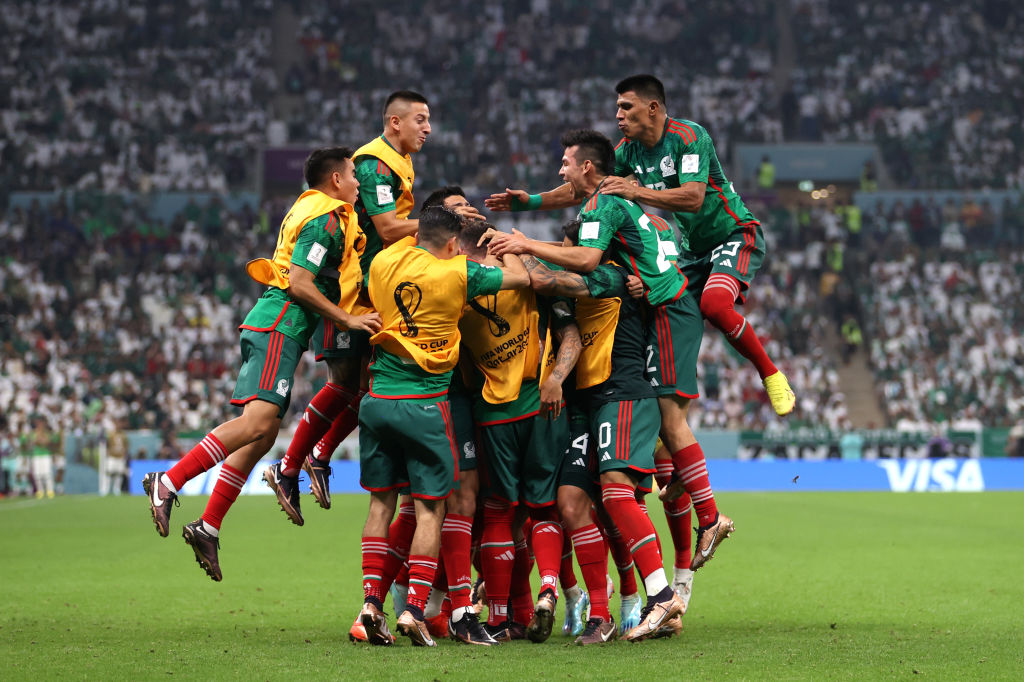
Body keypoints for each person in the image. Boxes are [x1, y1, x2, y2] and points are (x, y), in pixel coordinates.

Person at [486, 129, 735, 574]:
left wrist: (523, 244)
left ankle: (705, 516)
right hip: (658, 303)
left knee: (666, 414)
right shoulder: (617, 200)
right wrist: (531, 204)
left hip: (668, 307)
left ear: (586, 167)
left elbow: (583, 261)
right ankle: (678, 489)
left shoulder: (605, 202)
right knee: (660, 420)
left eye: (565, 162)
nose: (560, 170)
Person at [486, 75, 795, 419]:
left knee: (714, 304)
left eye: (625, 107)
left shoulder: (689, 137)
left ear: (652, 108)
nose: (618, 115)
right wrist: (529, 202)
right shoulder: (627, 151)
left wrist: (637, 192)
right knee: (656, 309)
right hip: (692, 251)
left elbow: (693, 198)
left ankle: (770, 373)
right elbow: (585, 185)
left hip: (734, 234)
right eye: (617, 107)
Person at [142, 147, 381, 581]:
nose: (358, 183)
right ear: (334, 179)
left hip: (278, 327)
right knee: (256, 425)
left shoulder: (318, 211)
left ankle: (208, 526)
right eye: (352, 175)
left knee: (264, 432)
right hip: (279, 325)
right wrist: (348, 318)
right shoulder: (326, 220)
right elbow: (301, 283)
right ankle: (169, 481)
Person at [355, 207, 529, 647]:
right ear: (454, 244)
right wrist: (501, 243)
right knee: (432, 509)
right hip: (426, 405)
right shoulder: (459, 274)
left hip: (377, 401)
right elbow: (522, 279)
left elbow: (401, 241)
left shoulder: (382, 263)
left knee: (381, 506)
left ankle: (371, 603)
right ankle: (414, 609)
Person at [268, 91, 432, 525]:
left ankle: (316, 457)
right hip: (352, 287)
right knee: (345, 383)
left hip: (376, 286)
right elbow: (386, 226)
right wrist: (438, 221)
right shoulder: (375, 163)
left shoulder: (399, 163)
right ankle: (289, 467)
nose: (427, 128)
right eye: (420, 119)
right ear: (394, 122)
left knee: (366, 388)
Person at [520, 220, 685, 644]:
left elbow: (550, 277)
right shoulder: (586, 289)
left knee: (616, 496)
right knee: (572, 503)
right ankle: (603, 613)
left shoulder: (608, 274)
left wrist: (522, 246)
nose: (562, 250)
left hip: (623, 393)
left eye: (568, 247)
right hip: (584, 405)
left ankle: (659, 596)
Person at [458, 219, 581, 644]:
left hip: (492, 411)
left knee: (498, 511)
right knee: (544, 509)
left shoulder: (455, 280)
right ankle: (549, 587)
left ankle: (497, 618)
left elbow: (465, 370)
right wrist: (557, 380)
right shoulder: (526, 270)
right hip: (543, 404)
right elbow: (568, 322)